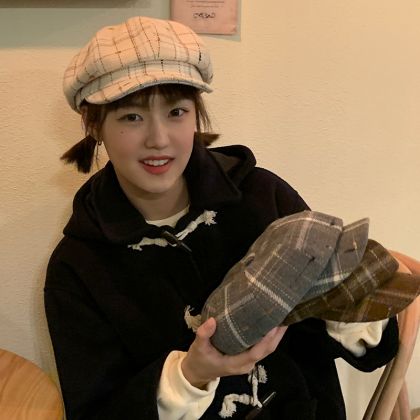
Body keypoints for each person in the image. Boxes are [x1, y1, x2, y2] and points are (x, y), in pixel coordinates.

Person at [44, 15, 416, 420]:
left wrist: (344, 292)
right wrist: (190, 374)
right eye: (131, 117)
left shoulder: (261, 196)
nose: (159, 139)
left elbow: (373, 352)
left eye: (176, 112)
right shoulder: (79, 266)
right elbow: (96, 410)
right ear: (94, 124)